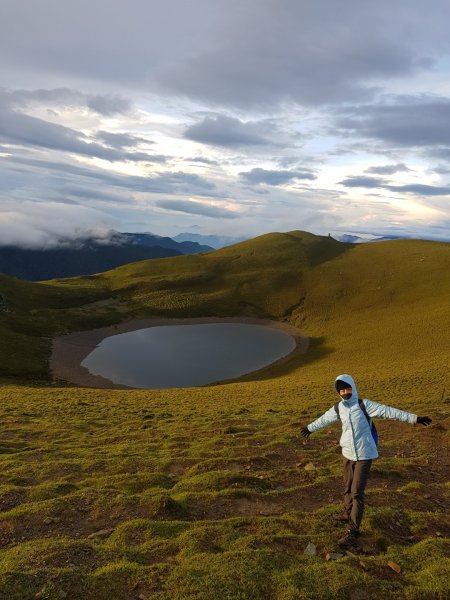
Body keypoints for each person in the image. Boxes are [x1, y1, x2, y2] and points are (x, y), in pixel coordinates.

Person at [300, 373, 432, 549]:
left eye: (347, 388)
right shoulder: (338, 408)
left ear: (353, 388)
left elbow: (389, 411)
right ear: (338, 392)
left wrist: (415, 418)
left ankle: (353, 531)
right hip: (347, 453)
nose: (345, 392)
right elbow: (324, 419)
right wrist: (309, 428)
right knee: (347, 487)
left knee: (356, 492)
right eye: (341, 390)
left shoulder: (364, 405)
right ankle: (348, 513)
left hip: (364, 454)